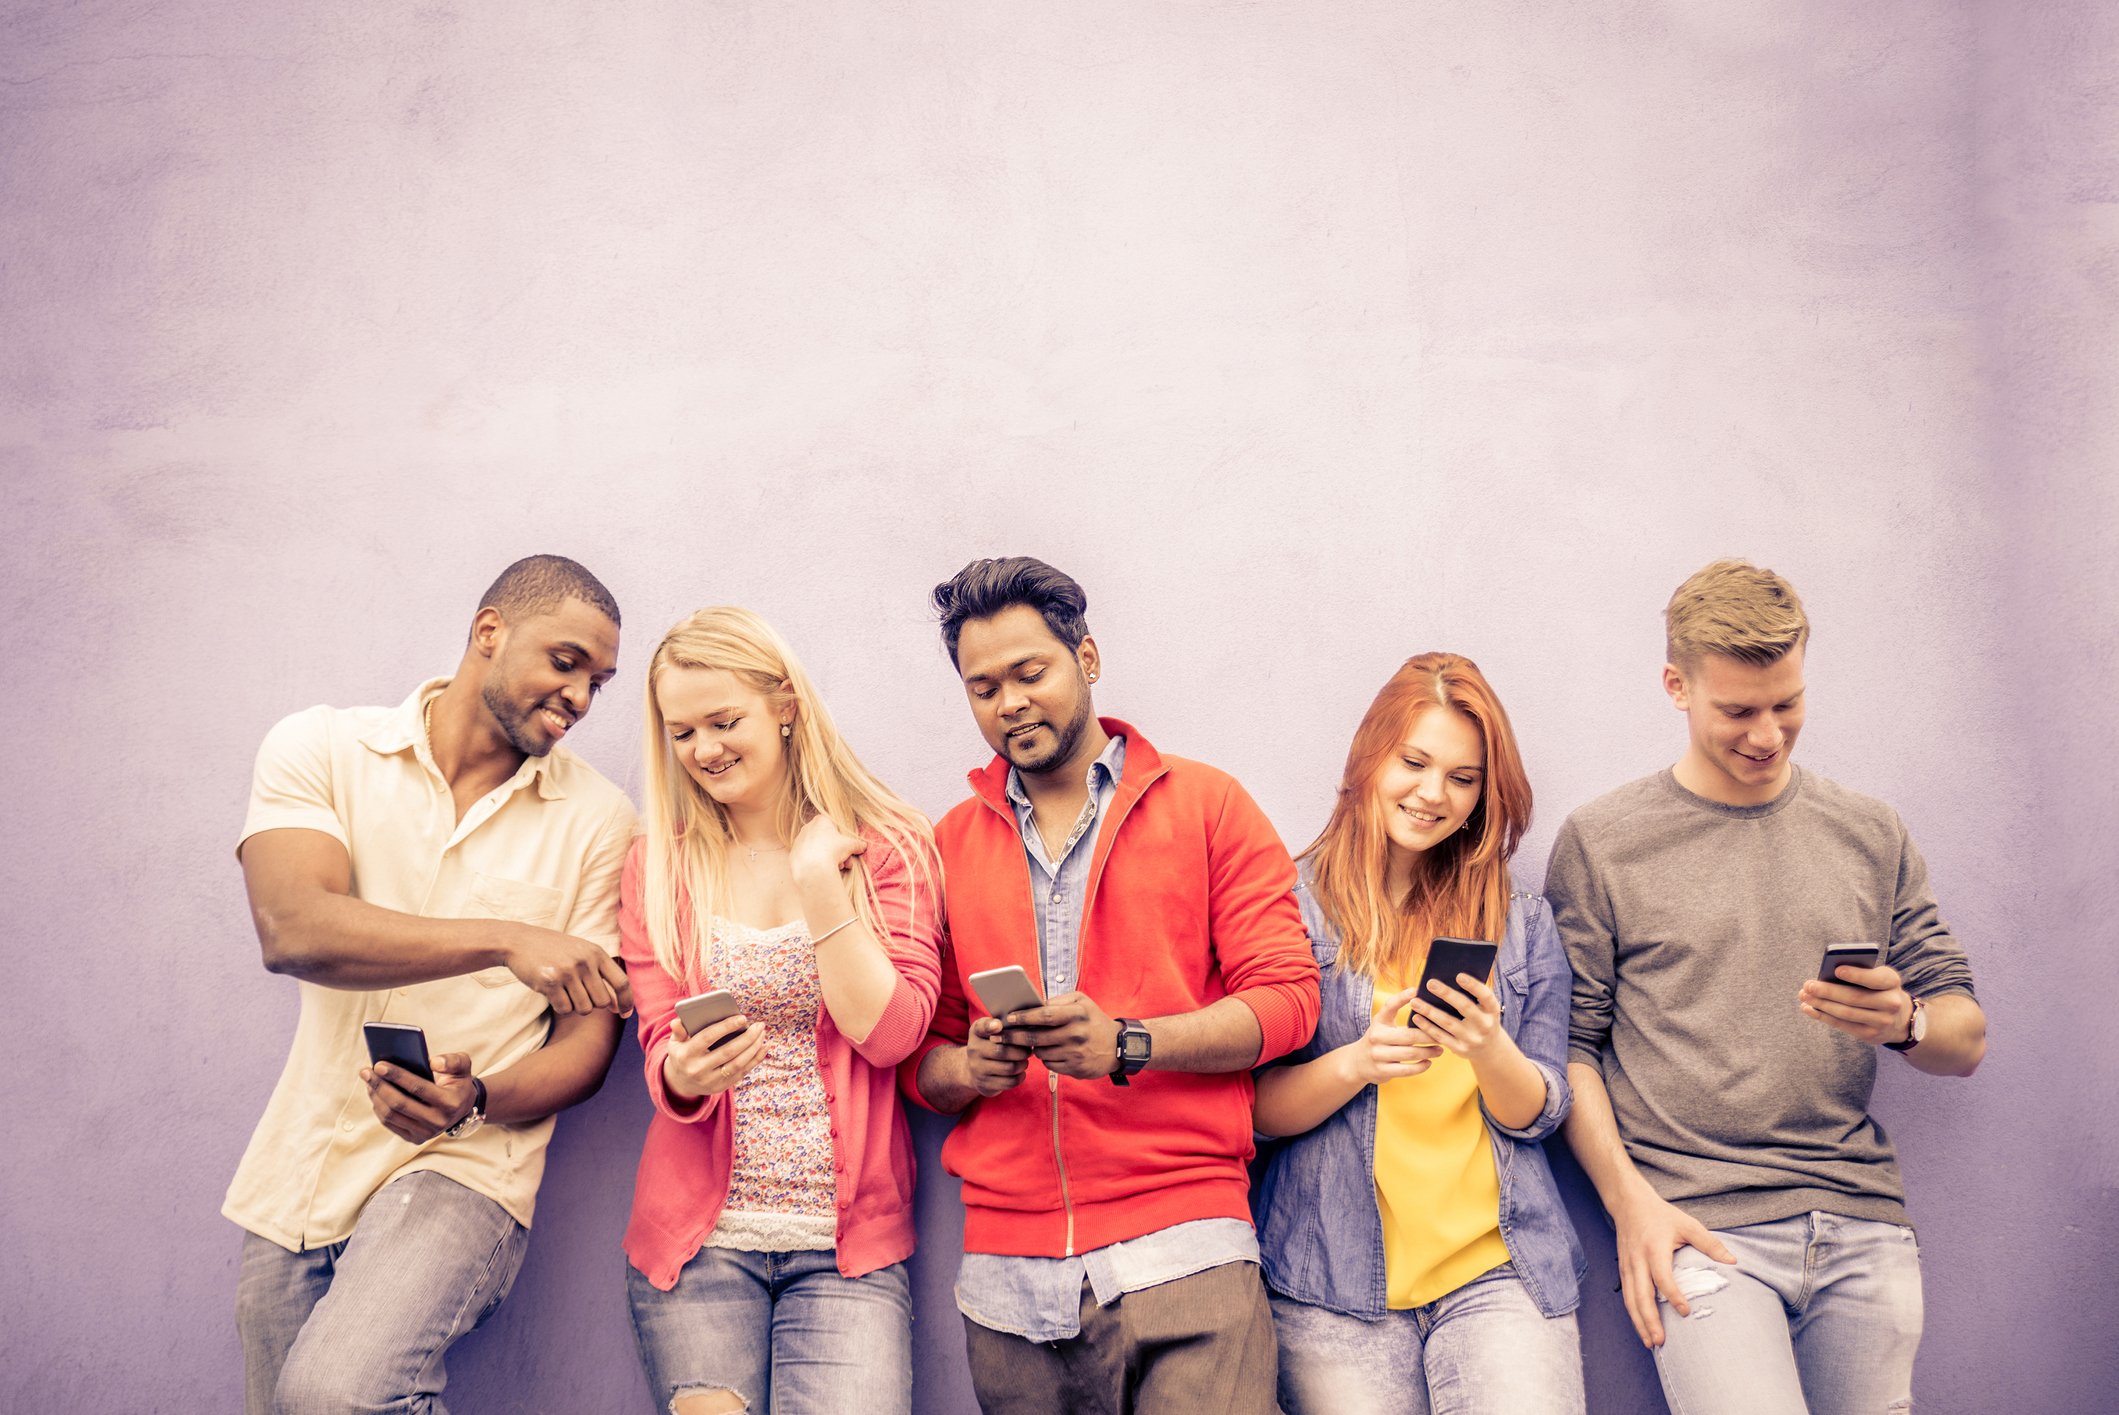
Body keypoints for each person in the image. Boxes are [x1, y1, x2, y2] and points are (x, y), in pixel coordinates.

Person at [1549, 558, 1986, 1414]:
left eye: (1786, 704)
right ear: (1676, 686)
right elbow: (1572, 1047)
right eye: (1737, 710)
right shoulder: (1604, 841)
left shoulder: (1867, 831)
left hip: (1862, 1222)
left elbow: (1965, 1037)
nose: (1766, 733)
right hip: (1700, 1227)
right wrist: (1628, 1202)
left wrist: (1904, 1021)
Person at [906, 556, 1320, 1415]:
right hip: (1009, 1289)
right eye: (984, 686)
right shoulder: (945, 844)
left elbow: (1287, 999)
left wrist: (1131, 1042)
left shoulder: (1209, 805)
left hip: (1186, 1251)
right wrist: (971, 1066)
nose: (1010, 701)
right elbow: (924, 1061)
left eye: (1031, 671)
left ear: (1086, 659)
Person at [228, 555, 639, 1415]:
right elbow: (293, 926)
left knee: (336, 1394)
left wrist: (477, 1096)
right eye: (565, 662)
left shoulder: (599, 820)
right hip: (298, 1168)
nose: (580, 698)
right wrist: (505, 938)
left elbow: (589, 1043)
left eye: (597, 682)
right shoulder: (323, 748)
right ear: (489, 631)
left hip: (466, 1166)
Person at [618, 606, 942, 1415]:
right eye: (682, 730)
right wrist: (683, 1072)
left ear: (786, 705)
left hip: (847, 1253)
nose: (704, 749)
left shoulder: (888, 844)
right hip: (698, 1247)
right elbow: (661, 1042)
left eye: (724, 721)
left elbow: (893, 1033)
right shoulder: (659, 864)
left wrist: (818, 880)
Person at [1252, 652, 1587, 1415]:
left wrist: (1487, 1048)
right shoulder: (1287, 908)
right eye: (1414, 761)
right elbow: (1250, 1112)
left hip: (1499, 1269)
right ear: (1371, 755)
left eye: (1463, 778)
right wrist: (1356, 1064)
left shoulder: (1520, 922)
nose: (1433, 793)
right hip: (1329, 1278)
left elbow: (1539, 1111)